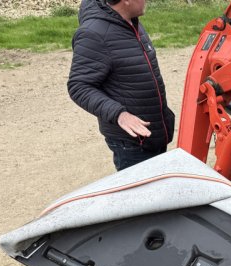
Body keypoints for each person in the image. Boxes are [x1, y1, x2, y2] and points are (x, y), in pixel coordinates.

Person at [67, 0, 175, 171]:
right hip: (132, 144)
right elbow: (79, 86)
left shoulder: (131, 22)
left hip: (153, 133)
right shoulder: (94, 33)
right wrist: (120, 115)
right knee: (141, 196)